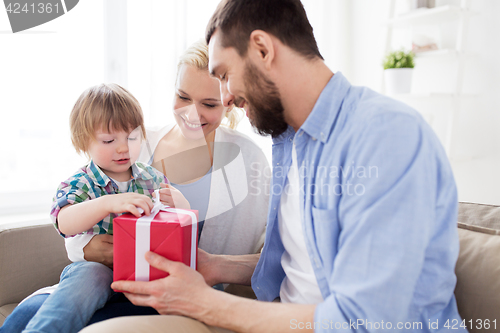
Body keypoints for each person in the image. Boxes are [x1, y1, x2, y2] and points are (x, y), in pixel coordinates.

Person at [81, 0, 467, 332]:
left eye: (224, 76)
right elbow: (301, 267)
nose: (226, 98)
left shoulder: (385, 136)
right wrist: (212, 266)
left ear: (263, 49)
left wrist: (206, 303)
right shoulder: (289, 141)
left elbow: (363, 320)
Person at [2, 40, 270, 331]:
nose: (192, 114)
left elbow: (262, 250)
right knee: (27, 313)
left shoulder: (247, 162)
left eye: (208, 104)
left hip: (166, 295)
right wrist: (88, 248)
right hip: (102, 280)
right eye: (182, 96)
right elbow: (74, 225)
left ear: (230, 101)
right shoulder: (135, 141)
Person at [0, 83, 188, 333]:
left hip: (144, 272)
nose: (123, 147)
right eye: (109, 140)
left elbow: (174, 225)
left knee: (197, 284)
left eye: (132, 137)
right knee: (91, 275)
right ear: (83, 142)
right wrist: (106, 203)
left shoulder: (151, 178)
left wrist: (182, 206)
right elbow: (64, 222)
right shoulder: (81, 183)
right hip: (98, 271)